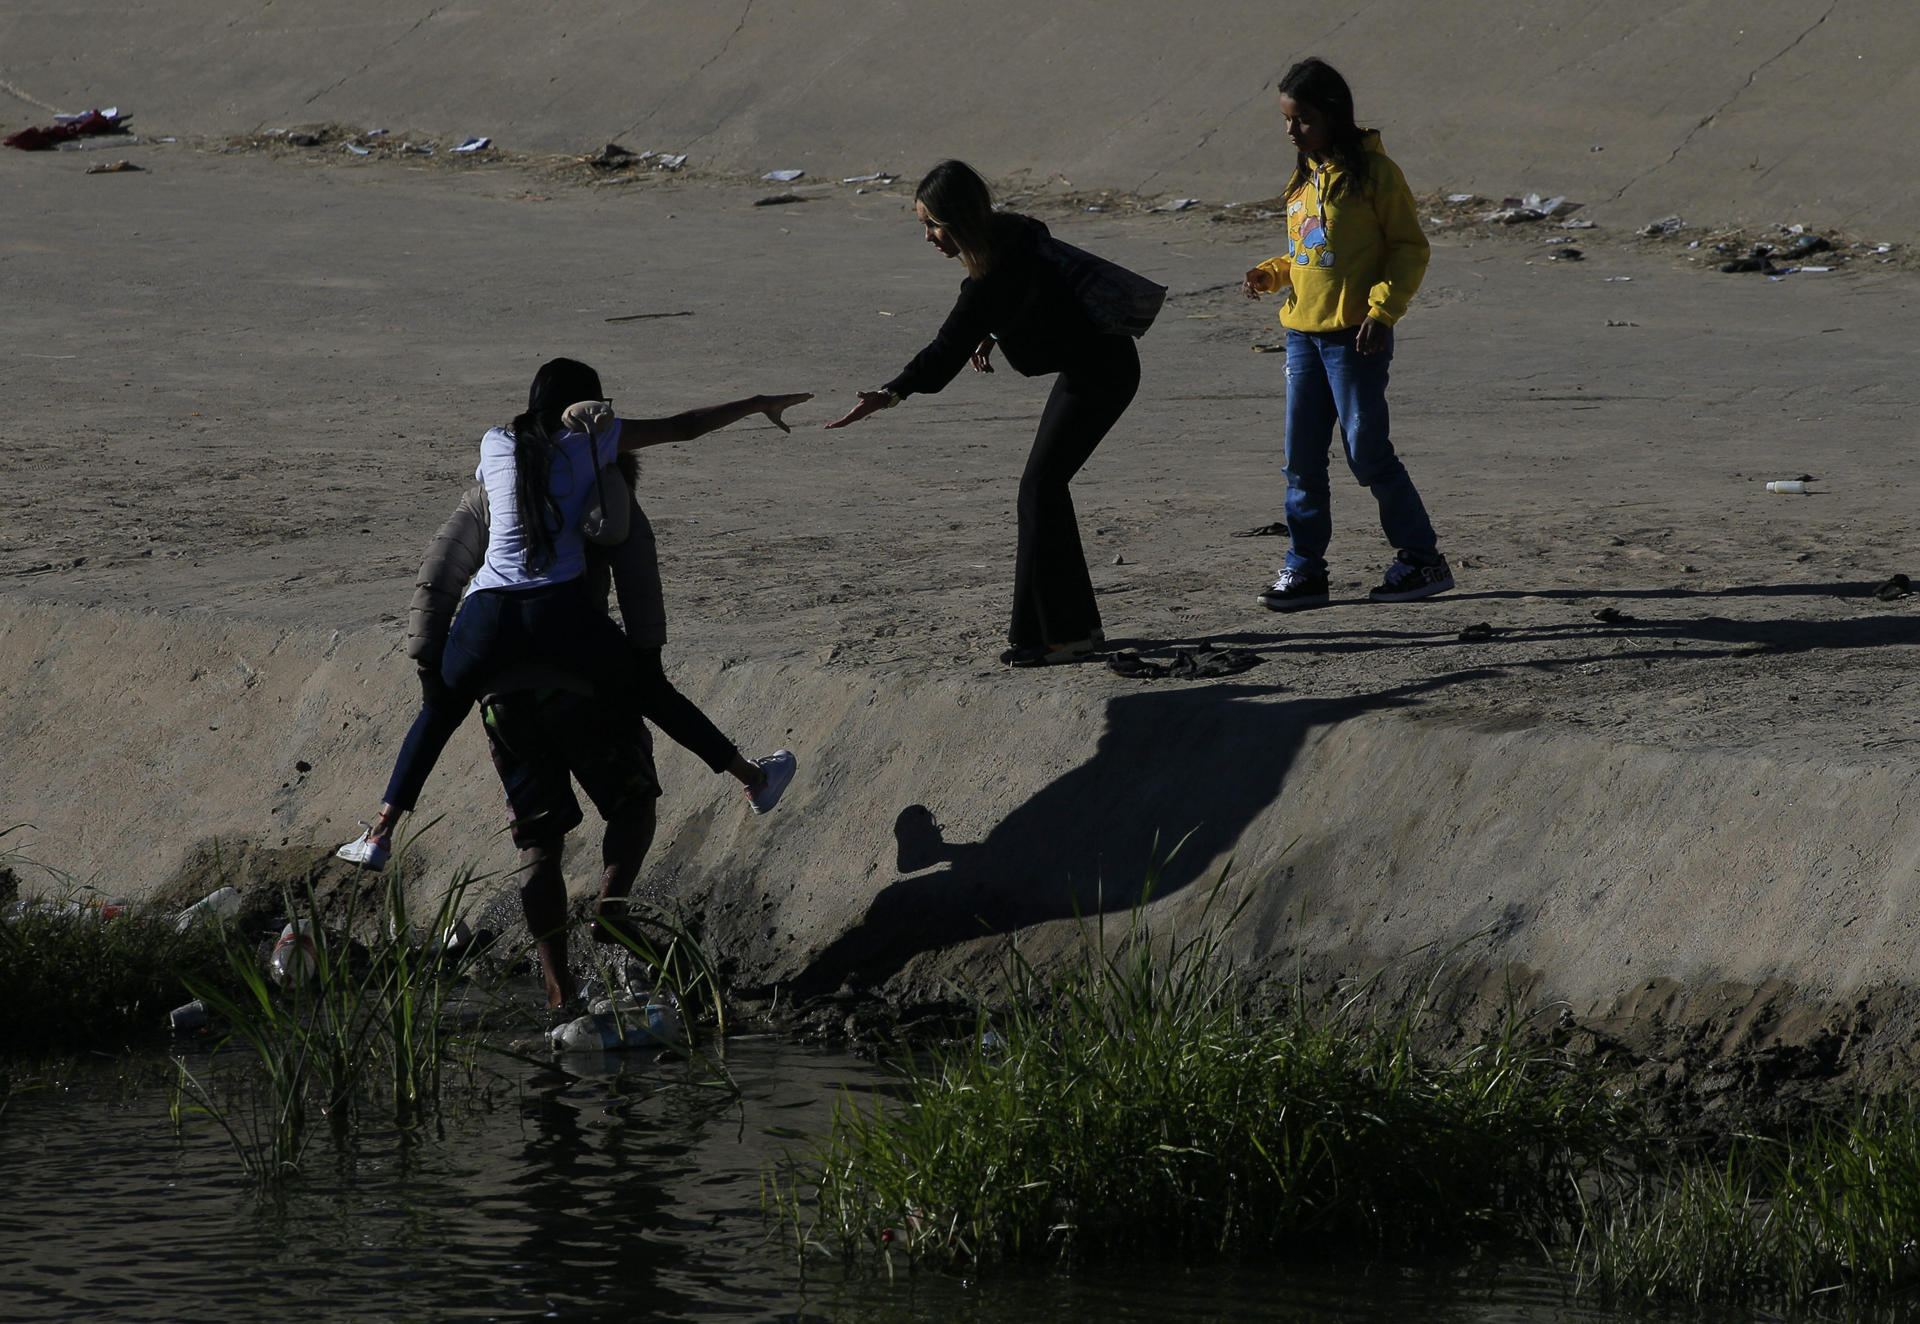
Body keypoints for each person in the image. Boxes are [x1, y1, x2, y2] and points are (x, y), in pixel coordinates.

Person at [336, 358, 807, 868]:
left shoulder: (495, 441)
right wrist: (758, 403)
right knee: (650, 691)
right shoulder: (592, 440)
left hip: (486, 615)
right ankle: (754, 780)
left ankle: (380, 834)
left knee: (439, 712)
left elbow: (491, 503)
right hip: (559, 614)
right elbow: (686, 427)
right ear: (588, 406)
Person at [826, 160, 1141, 667]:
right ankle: (1072, 629)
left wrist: (889, 394)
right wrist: (995, 333)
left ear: (960, 220)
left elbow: (943, 352)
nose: (928, 237)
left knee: (1040, 488)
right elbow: (1033, 294)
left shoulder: (988, 281)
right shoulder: (1015, 233)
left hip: (1103, 374)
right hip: (1098, 366)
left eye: (933, 224)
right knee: (1042, 487)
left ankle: (1066, 634)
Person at [1242, 57, 1452, 611]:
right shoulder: (1305, 177)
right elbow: (1311, 254)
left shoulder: (1378, 176)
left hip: (1356, 338)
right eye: (1287, 120)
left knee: (1367, 453)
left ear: (1333, 115)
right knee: (1302, 459)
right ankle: (1305, 569)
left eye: (1303, 120)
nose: (1292, 131)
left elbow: (1409, 248)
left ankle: (1421, 558)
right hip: (1303, 336)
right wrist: (1273, 272)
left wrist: (1382, 312)